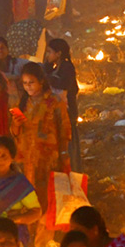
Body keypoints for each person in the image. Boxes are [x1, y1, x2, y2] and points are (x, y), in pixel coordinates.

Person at [12, 63, 71, 218]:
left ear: (41, 81)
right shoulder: (24, 103)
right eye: (25, 83)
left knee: (48, 194)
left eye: (31, 82)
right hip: (27, 158)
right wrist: (15, 125)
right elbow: (16, 133)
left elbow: (64, 129)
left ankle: (45, 232)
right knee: (29, 195)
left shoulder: (54, 102)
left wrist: (64, 155)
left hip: (48, 157)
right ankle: (31, 228)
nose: (28, 87)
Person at [43, 38, 81, 170]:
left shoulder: (66, 67)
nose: (47, 55)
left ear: (58, 53)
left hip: (67, 112)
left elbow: (65, 84)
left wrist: (48, 78)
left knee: (68, 143)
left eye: (49, 52)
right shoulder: (55, 67)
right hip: (57, 111)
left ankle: (72, 170)